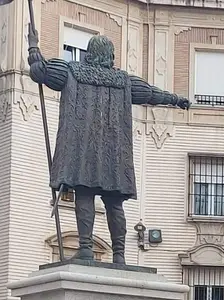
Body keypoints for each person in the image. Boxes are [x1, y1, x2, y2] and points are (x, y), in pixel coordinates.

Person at [27, 29, 189, 264]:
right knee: (114, 203)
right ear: (110, 56)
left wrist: (33, 47)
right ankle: (119, 254)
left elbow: (38, 71)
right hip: (114, 153)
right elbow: (152, 94)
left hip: (82, 149)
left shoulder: (70, 71)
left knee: (84, 192)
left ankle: (84, 247)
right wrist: (175, 99)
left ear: (88, 54)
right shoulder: (124, 81)